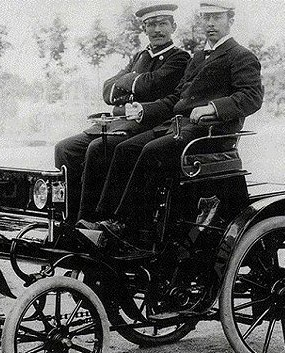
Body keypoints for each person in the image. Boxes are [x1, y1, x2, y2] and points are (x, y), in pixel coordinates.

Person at [89, 0, 264, 238]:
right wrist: (145, 110)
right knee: (125, 148)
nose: (211, 24)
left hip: (210, 133)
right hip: (179, 126)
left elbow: (251, 96)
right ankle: (105, 219)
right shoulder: (198, 57)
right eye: (206, 18)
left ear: (230, 20)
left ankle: (128, 226)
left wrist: (212, 108)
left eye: (217, 17)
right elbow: (177, 98)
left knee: (152, 151)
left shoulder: (241, 56)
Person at [54, 4, 190, 223]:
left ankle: (90, 221)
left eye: (163, 24)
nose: (157, 30)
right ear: (144, 29)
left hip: (149, 124)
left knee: (98, 148)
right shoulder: (139, 57)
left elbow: (152, 84)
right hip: (121, 122)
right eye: (151, 25)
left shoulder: (180, 58)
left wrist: (128, 84)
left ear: (173, 27)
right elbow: (108, 90)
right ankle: (67, 217)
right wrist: (134, 85)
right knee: (65, 148)